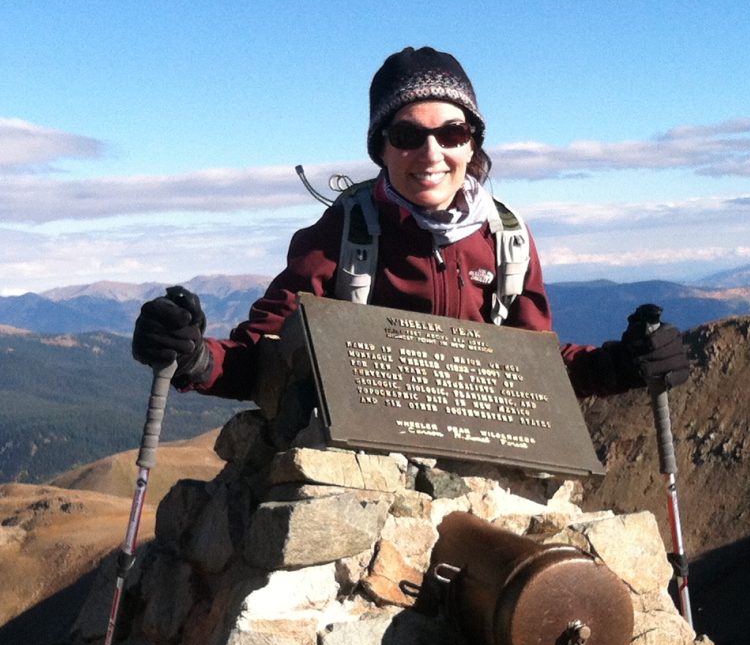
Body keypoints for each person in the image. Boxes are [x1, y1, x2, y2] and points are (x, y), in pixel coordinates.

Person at [131, 46, 691, 402]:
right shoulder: (342, 236)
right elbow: (265, 358)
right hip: (359, 476)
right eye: (406, 134)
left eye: (451, 132)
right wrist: (194, 357)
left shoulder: (506, 239)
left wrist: (623, 365)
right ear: (381, 149)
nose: (431, 152)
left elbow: (534, 369)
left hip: (480, 458)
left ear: (472, 143)